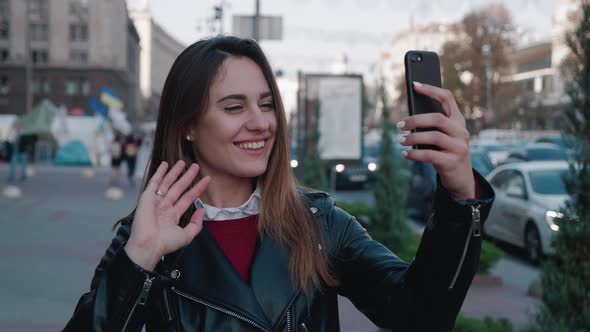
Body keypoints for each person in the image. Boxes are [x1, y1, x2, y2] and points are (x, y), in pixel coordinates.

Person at [64, 36, 494, 331]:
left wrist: (460, 199)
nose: (261, 122)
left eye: (267, 104)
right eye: (234, 107)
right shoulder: (144, 236)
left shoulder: (321, 224)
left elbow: (420, 315)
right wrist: (138, 260)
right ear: (188, 125)